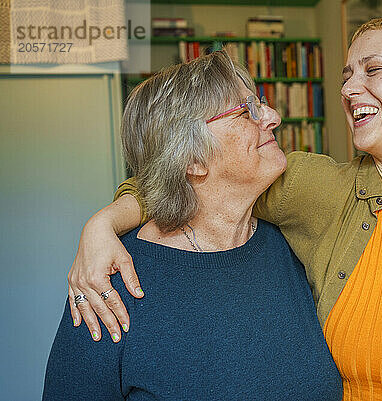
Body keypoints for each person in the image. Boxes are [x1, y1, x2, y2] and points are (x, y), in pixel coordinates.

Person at [65, 17, 382, 401]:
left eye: (374, 70)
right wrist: (103, 224)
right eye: (347, 74)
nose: (349, 89)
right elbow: (188, 175)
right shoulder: (319, 190)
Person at [43, 51, 342, 400]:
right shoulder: (110, 282)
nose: (273, 117)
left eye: (260, 103)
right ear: (192, 159)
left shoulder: (294, 245)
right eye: (247, 111)